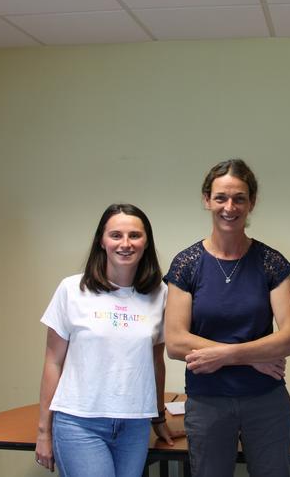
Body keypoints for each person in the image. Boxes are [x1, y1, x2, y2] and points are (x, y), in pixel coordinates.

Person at [164, 159, 290, 477]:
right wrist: (252, 358)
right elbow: (175, 342)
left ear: (251, 202)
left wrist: (228, 355)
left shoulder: (271, 262)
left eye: (239, 198)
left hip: (266, 401)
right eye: (221, 197)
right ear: (206, 200)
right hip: (207, 402)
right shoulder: (187, 264)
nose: (230, 206)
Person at [35, 204, 181, 476]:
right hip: (80, 422)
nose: (125, 244)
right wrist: (44, 431)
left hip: (134, 425)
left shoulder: (160, 294)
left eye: (134, 236)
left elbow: (155, 362)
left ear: (146, 242)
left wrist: (158, 416)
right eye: (116, 235)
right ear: (101, 241)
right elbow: (53, 362)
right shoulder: (72, 289)